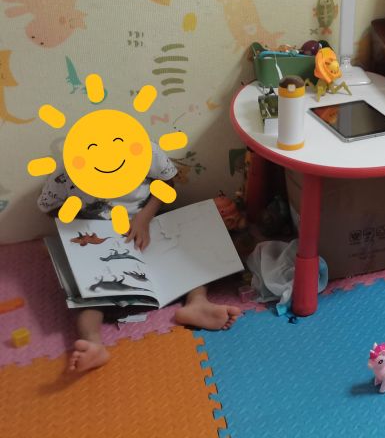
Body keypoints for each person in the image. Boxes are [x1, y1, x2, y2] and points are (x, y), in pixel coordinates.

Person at [37, 141, 241, 373]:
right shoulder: (67, 169)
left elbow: (167, 184)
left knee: (190, 248)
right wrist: (81, 226)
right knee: (87, 289)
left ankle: (198, 302)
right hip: (100, 237)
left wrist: (144, 218)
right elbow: (49, 208)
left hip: (148, 222)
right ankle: (92, 343)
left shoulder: (145, 149)